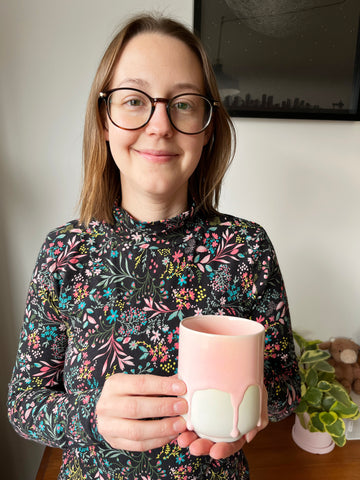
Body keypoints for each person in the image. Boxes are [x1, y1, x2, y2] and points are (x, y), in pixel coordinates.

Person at [8, 14, 300, 480]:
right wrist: (90, 416)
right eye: (133, 100)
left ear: (206, 129)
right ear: (104, 121)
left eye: (183, 104)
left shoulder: (246, 248)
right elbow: (25, 403)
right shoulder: (65, 251)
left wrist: (261, 401)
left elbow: (287, 382)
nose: (160, 124)